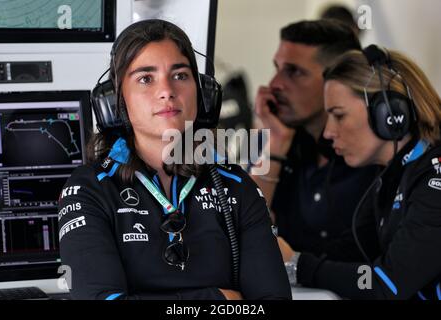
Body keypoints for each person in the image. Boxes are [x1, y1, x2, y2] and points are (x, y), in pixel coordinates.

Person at [58, 19, 292, 300]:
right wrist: (217, 298)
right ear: (117, 101)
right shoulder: (88, 190)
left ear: (203, 93)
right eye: (146, 78)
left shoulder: (236, 186)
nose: (167, 90)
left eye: (180, 75)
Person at [285, 44, 441, 299]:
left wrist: (298, 266)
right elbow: (349, 250)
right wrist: (277, 253)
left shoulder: (434, 180)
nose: (328, 132)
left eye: (339, 115)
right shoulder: (393, 174)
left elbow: (387, 282)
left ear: (389, 114)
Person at [251, 20, 378, 256]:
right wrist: (277, 143)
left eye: (294, 71)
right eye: (277, 68)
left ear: (339, 78)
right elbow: (239, 228)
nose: (274, 84)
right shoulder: (275, 140)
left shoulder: (373, 154)